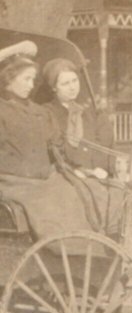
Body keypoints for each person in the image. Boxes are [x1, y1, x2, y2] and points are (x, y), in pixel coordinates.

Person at [0, 40, 123, 245]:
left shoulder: (39, 112)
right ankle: (70, 248)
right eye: (26, 79)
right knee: (61, 201)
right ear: (8, 80)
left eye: (33, 79)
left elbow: (57, 144)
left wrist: (78, 170)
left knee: (89, 190)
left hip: (45, 178)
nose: (31, 86)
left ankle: (98, 242)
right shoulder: (2, 111)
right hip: (14, 182)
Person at [41, 57, 116, 178]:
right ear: (54, 87)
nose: (72, 87)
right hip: (64, 177)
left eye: (75, 81)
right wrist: (73, 170)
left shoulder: (92, 113)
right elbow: (50, 151)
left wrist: (100, 168)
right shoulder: (47, 113)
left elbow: (104, 145)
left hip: (95, 175)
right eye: (65, 83)